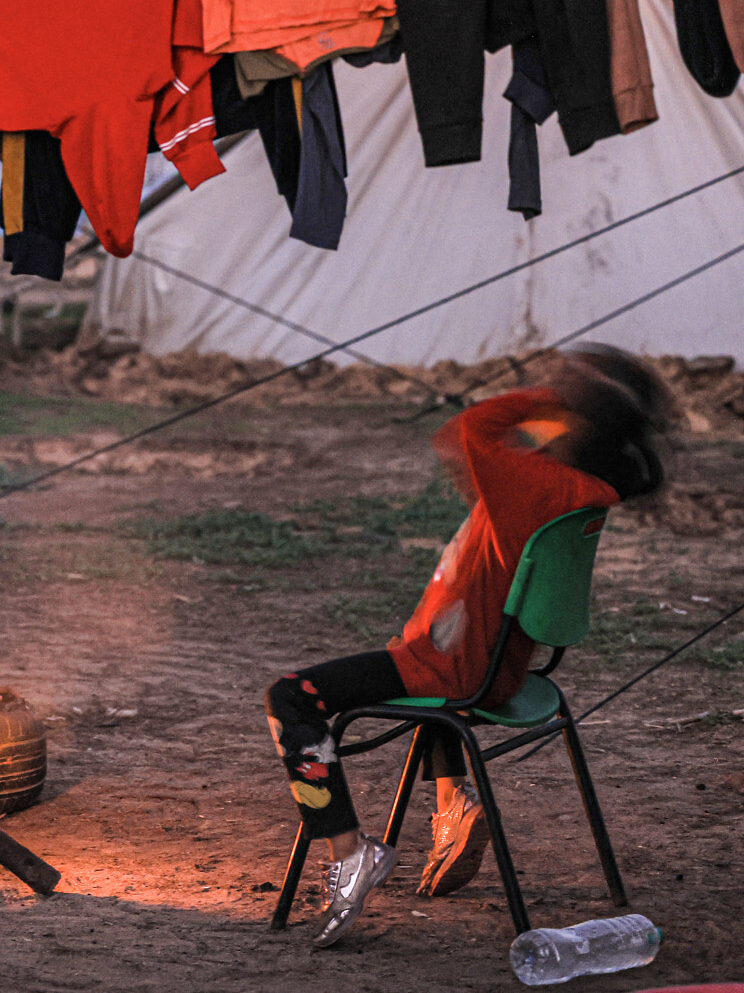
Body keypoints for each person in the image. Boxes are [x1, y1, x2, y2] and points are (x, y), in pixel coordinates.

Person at [263, 345, 669, 947]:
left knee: (290, 698)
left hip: (454, 668)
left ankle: (350, 856)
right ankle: (455, 802)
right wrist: (577, 409)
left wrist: (548, 399)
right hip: (498, 667)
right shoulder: (586, 487)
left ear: (577, 420)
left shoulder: (531, 481)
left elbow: (468, 429)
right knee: (404, 651)